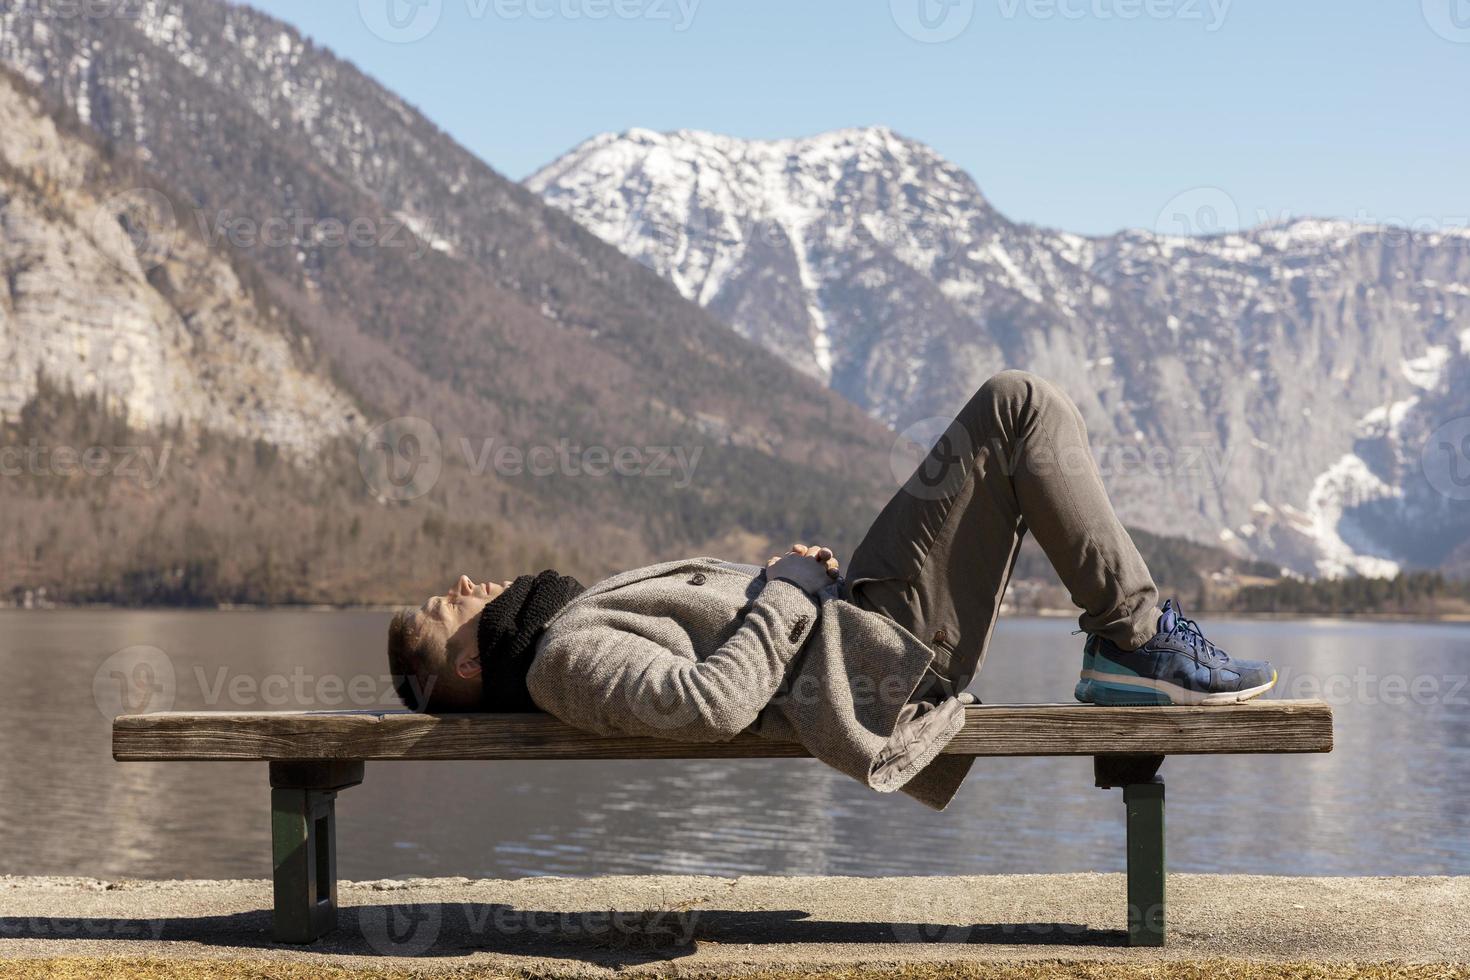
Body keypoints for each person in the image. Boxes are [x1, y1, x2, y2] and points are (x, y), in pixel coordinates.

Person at [386, 371, 1275, 809]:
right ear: (463, 668)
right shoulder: (562, 660)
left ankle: (1130, 640)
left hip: (851, 625)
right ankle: (1133, 638)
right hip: (868, 660)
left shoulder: (561, 628)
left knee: (1028, 409)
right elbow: (708, 703)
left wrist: (801, 588)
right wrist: (782, 590)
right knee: (1017, 408)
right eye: (446, 605)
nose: (462, 584)